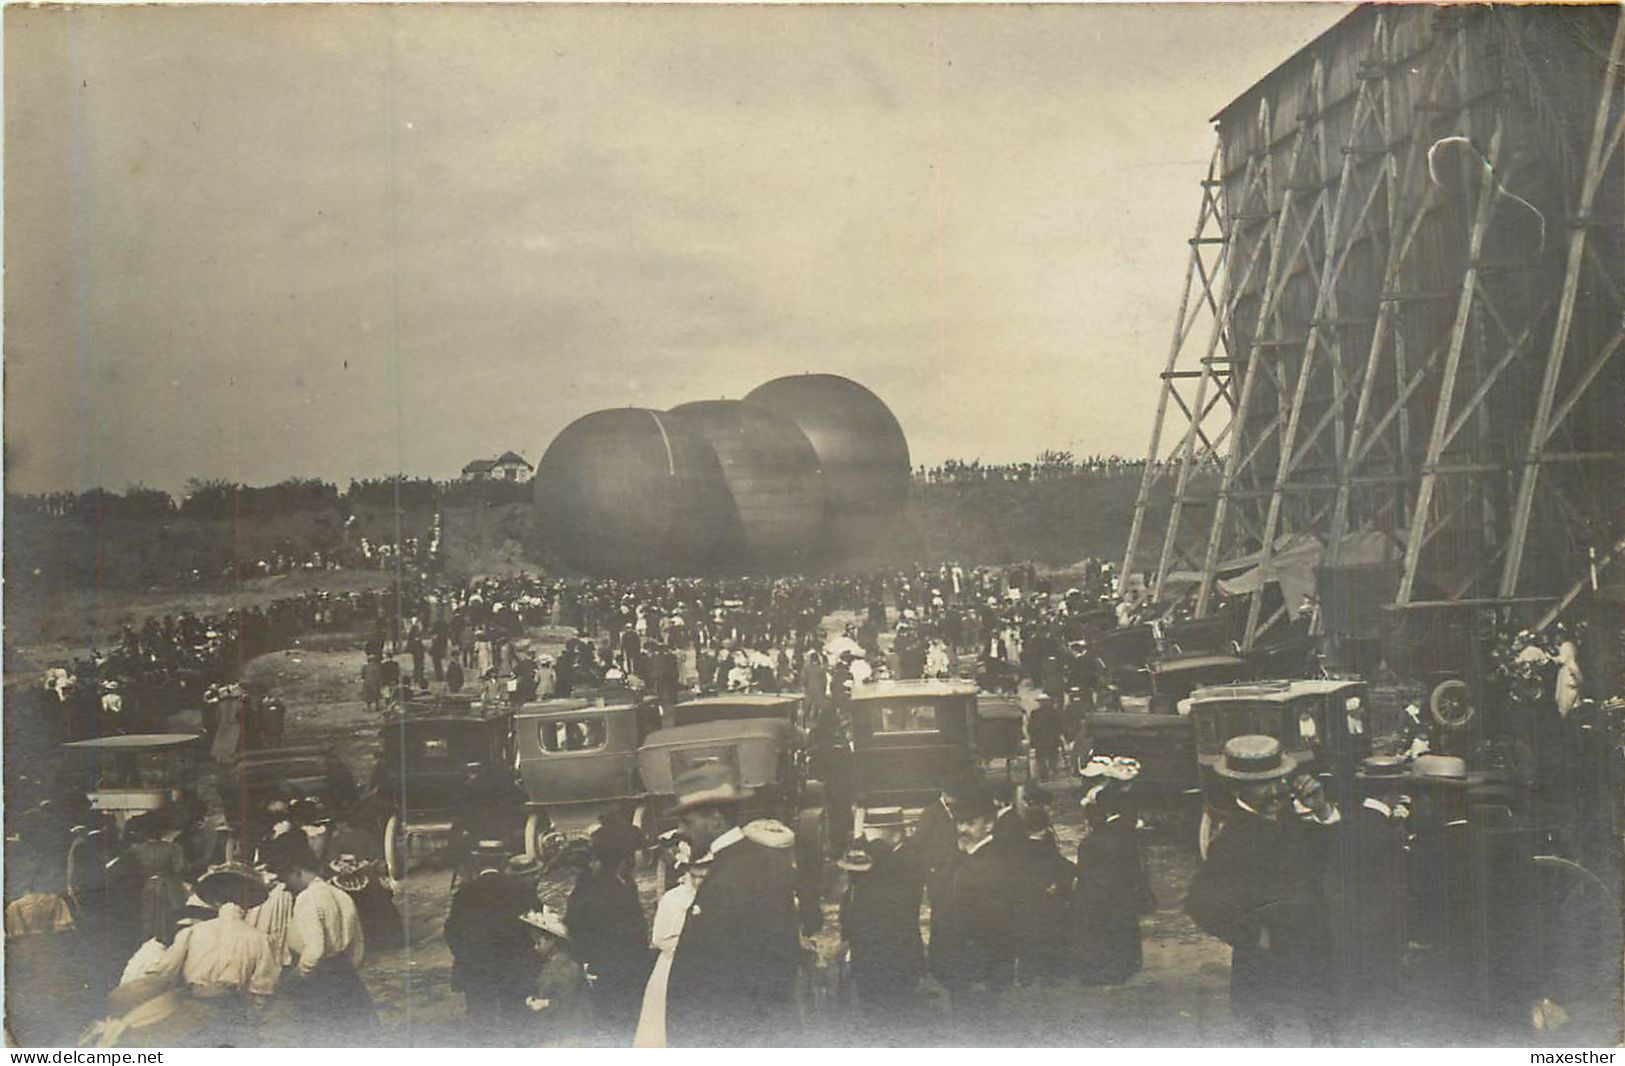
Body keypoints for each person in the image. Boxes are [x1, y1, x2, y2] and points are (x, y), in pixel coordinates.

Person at [1184, 735, 1334, 1046]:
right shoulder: (1231, 841)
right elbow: (1200, 904)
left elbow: (1331, 856)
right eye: (1263, 784)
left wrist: (1322, 809)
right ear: (1238, 788)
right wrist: (1252, 935)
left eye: (1279, 779)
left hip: (1309, 957)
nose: (1277, 789)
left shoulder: (1289, 819)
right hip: (1266, 968)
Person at [663, 762, 802, 1047]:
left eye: (687, 823)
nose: (680, 831)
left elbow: (773, 963)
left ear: (716, 820)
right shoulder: (742, 862)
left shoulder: (745, 869)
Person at [265, 836, 379, 1044]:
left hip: (321, 980)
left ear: (296, 871)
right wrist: (350, 967)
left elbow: (315, 949)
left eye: (285, 878)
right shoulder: (339, 893)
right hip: (346, 974)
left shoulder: (307, 899)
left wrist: (299, 975)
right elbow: (358, 941)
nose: (286, 885)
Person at [1330, 756, 1411, 1038]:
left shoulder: (1349, 823)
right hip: (1382, 928)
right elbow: (1397, 886)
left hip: (1352, 923)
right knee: (1382, 1002)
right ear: (1393, 789)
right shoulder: (1388, 832)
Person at [927, 785, 1016, 1038]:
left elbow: (993, 927)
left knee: (977, 1033)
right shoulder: (968, 859)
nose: (963, 829)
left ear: (989, 825)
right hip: (965, 970)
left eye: (971, 823)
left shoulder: (987, 866)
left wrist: (980, 974)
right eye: (960, 823)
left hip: (976, 972)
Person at [565, 819, 653, 1042]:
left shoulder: (616, 882)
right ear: (625, 859)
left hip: (625, 970)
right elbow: (576, 925)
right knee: (620, 1029)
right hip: (614, 973)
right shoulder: (600, 889)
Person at [837, 807, 926, 1023]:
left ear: (896, 835)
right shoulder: (874, 862)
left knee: (896, 1017)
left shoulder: (905, 861)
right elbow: (852, 901)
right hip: (869, 956)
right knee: (874, 1015)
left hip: (894, 957)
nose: (868, 841)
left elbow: (890, 909)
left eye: (875, 834)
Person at [443, 848, 543, 1040]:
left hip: (476, 968)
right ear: (504, 863)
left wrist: (466, 957)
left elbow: (451, 931)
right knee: (517, 1017)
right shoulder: (518, 888)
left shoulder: (464, 893)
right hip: (512, 966)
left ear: (477, 864)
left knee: (482, 1020)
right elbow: (535, 923)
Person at [1071, 756, 1153, 985]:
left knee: (1103, 928)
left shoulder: (1089, 843)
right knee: (1121, 925)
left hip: (1099, 892)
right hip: (1120, 888)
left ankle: (1105, 967)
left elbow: (1084, 870)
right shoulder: (1122, 832)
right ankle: (1126, 965)